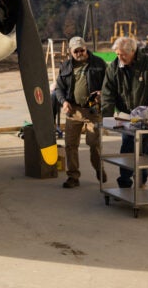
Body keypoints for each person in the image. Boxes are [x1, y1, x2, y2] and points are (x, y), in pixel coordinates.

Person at [101, 36, 148, 189]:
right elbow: (107, 93)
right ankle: (124, 182)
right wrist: (108, 117)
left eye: (122, 54)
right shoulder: (114, 67)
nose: (119, 57)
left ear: (133, 51)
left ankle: (142, 182)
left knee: (145, 151)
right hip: (127, 118)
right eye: (117, 54)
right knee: (127, 148)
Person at [53, 36, 107, 188]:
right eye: (75, 51)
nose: (79, 53)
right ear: (70, 51)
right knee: (70, 145)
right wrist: (63, 102)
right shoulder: (65, 66)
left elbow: (109, 84)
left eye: (81, 50)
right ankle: (73, 177)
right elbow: (59, 88)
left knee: (94, 144)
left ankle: (99, 170)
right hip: (73, 111)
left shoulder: (98, 63)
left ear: (86, 48)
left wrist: (102, 94)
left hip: (92, 110)